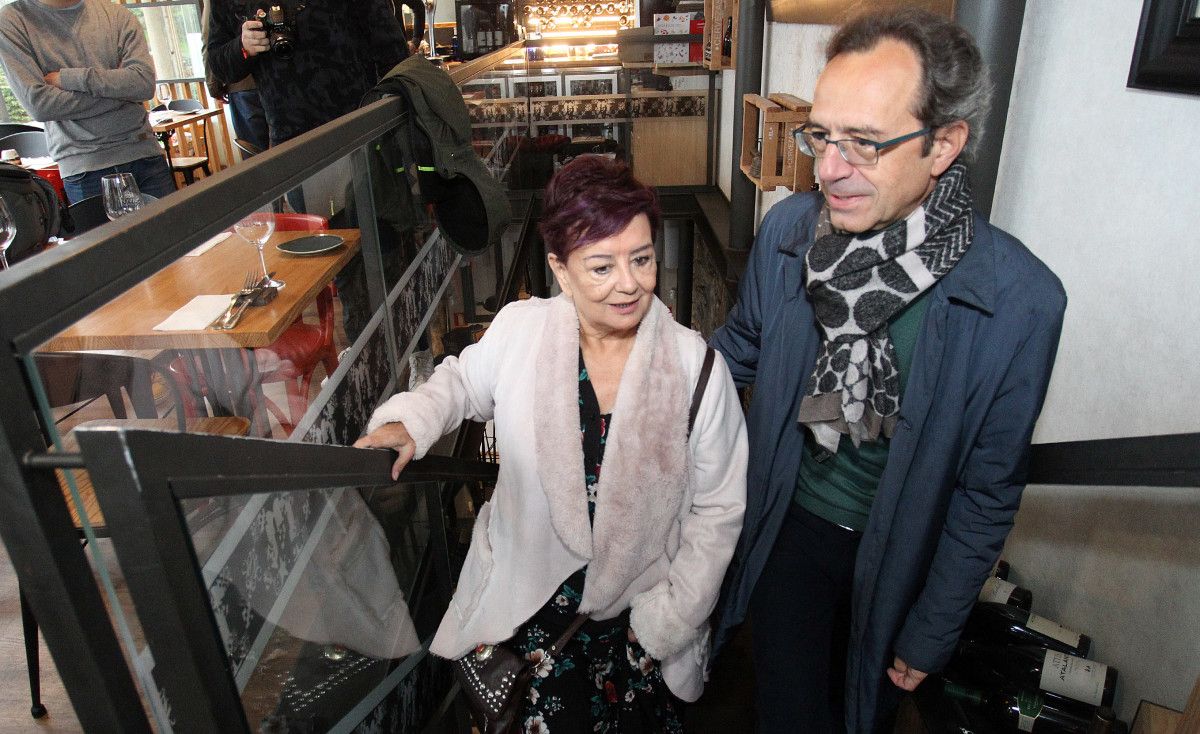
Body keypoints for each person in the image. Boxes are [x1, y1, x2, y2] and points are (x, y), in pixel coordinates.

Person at [709, 9, 1067, 733]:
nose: (830, 168)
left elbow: (987, 491)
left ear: (943, 145)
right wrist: (623, 375)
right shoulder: (786, 234)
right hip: (787, 526)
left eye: (865, 144)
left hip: (899, 556)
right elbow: (735, 351)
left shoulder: (1020, 302)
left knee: (857, 714)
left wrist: (934, 625)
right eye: (821, 135)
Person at [355, 155, 747, 731]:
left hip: (635, 620)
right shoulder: (523, 331)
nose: (629, 283)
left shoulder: (696, 369)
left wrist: (668, 618)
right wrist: (410, 422)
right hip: (529, 612)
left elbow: (718, 510)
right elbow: (462, 380)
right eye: (601, 266)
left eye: (641, 259)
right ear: (560, 271)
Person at [0, 0, 174, 204]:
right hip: (83, 168)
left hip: (144, 154)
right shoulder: (12, 21)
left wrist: (68, 79)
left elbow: (143, 84)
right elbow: (40, 104)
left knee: (176, 235)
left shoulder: (115, 14)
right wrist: (120, 92)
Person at [206, 0, 408, 148]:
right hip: (289, 139)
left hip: (360, 126)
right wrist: (243, 47)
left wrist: (396, 116)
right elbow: (219, 65)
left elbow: (391, 46)